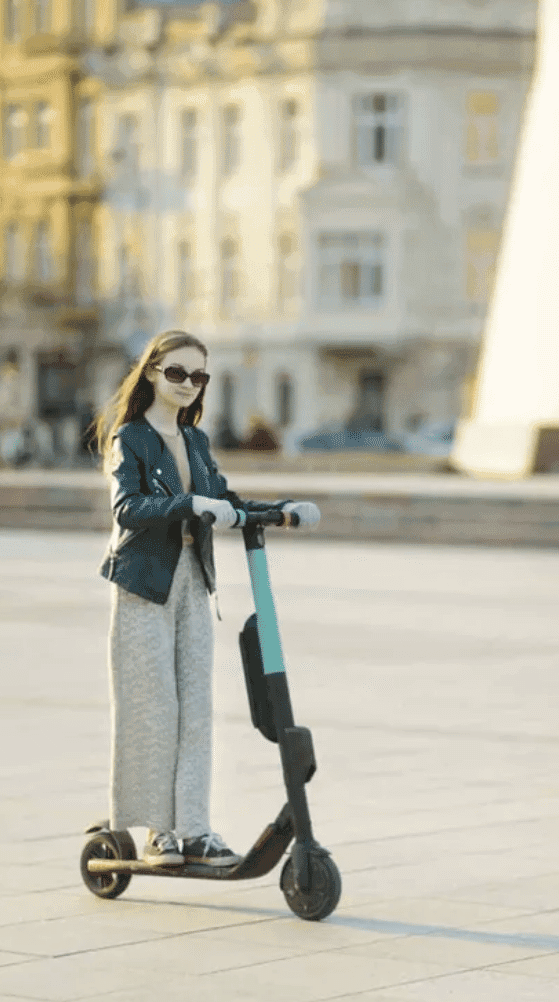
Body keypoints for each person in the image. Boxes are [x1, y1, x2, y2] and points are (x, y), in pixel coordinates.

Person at [94, 329, 319, 868]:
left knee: (197, 710)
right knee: (155, 711)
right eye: (176, 372)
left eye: (198, 376)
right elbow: (129, 508)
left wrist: (283, 509)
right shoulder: (133, 438)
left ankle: (194, 829)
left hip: (194, 583)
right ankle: (157, 832)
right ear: (151, 373)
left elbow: (224, 499)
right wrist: (187, 504)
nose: (188, 384)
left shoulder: (194, 441)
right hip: (145, 584)